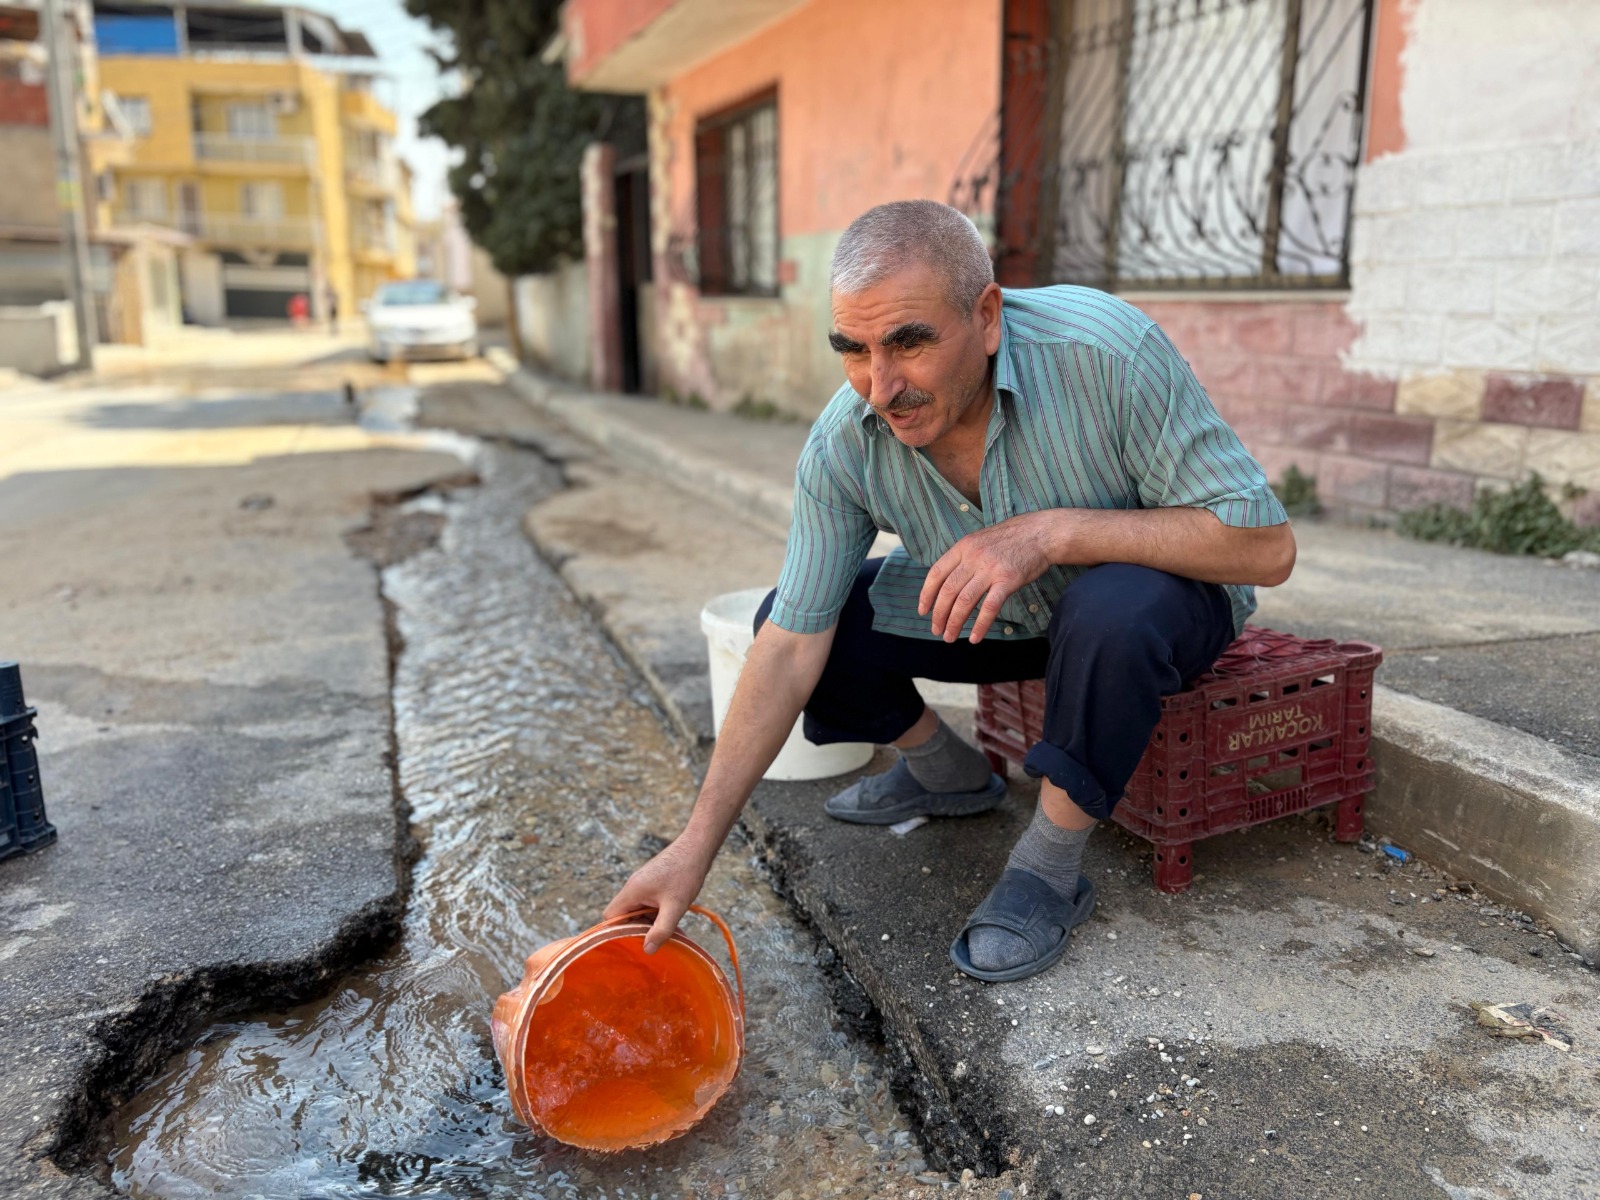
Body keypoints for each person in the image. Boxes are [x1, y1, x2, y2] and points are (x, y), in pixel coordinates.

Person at [605, 199, 1295, 982]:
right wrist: (694, 848)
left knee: (1111, 610)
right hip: (1006, 621)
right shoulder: (845, 440)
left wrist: (1052, 533)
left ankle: (1047, 869)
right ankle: (950, 776)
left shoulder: (1108, 352)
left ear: (988, 316)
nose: (880, 385)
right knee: (796, 616)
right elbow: (792, 644)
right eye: (853, 350)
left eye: (909, 342)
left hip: (1153, 613)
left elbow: (1267, 548)